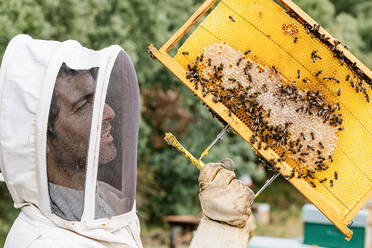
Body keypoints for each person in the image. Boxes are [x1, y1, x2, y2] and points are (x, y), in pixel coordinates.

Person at [0, 34, 254, 248]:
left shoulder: (105, 200)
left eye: (97, 98)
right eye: (82, 105)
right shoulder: (42, 243)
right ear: (40, 138)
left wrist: (217, 231)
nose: (109, 112)